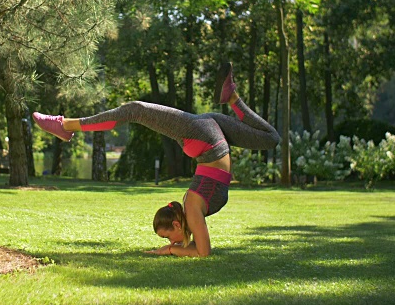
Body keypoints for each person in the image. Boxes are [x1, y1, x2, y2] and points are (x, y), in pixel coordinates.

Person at [32, 63, 280, 257]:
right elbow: (203, 253)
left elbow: (199, 251)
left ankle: (65, 124)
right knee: (136, 110)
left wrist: (172, 250)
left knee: (270, 138)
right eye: (167, 239)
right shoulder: (193, 210)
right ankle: (64, 125)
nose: (170, 242)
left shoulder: (192, 207)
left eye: (167, 239)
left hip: (208, 138)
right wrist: (172, 249)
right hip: (208, 137)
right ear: (176, 223)